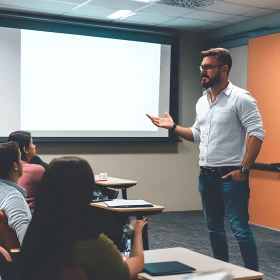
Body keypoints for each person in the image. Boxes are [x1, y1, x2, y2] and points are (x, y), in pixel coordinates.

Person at [147, 48, 264, 271]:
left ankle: (252, 274)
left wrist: (244, 169)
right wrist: (172, 127)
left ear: (224, 69)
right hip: (207, 175)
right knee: (214, 229)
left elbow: (257, 134)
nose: (203, 71)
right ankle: (222, 272)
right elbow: (197, 135)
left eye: (208, 67)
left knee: (240, 229)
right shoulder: (202, 101)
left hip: (232, 176)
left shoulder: (241, 98)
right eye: (202, 67)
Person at [17, 156, 146, 280]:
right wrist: (138, 231)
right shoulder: (93, 244)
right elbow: (131, 268)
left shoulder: (35, 235)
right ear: (87, 192)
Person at [0, 142, 32, 245]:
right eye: (20, 160)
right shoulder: (13, 197)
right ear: (15, 166)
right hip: (15, 258)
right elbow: (27, 243)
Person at [8, 131, 46, 213]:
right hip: (29, 216)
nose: (35, 146)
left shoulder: (5, 168)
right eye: (32, 143)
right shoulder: (36, 169)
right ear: (25, 149)